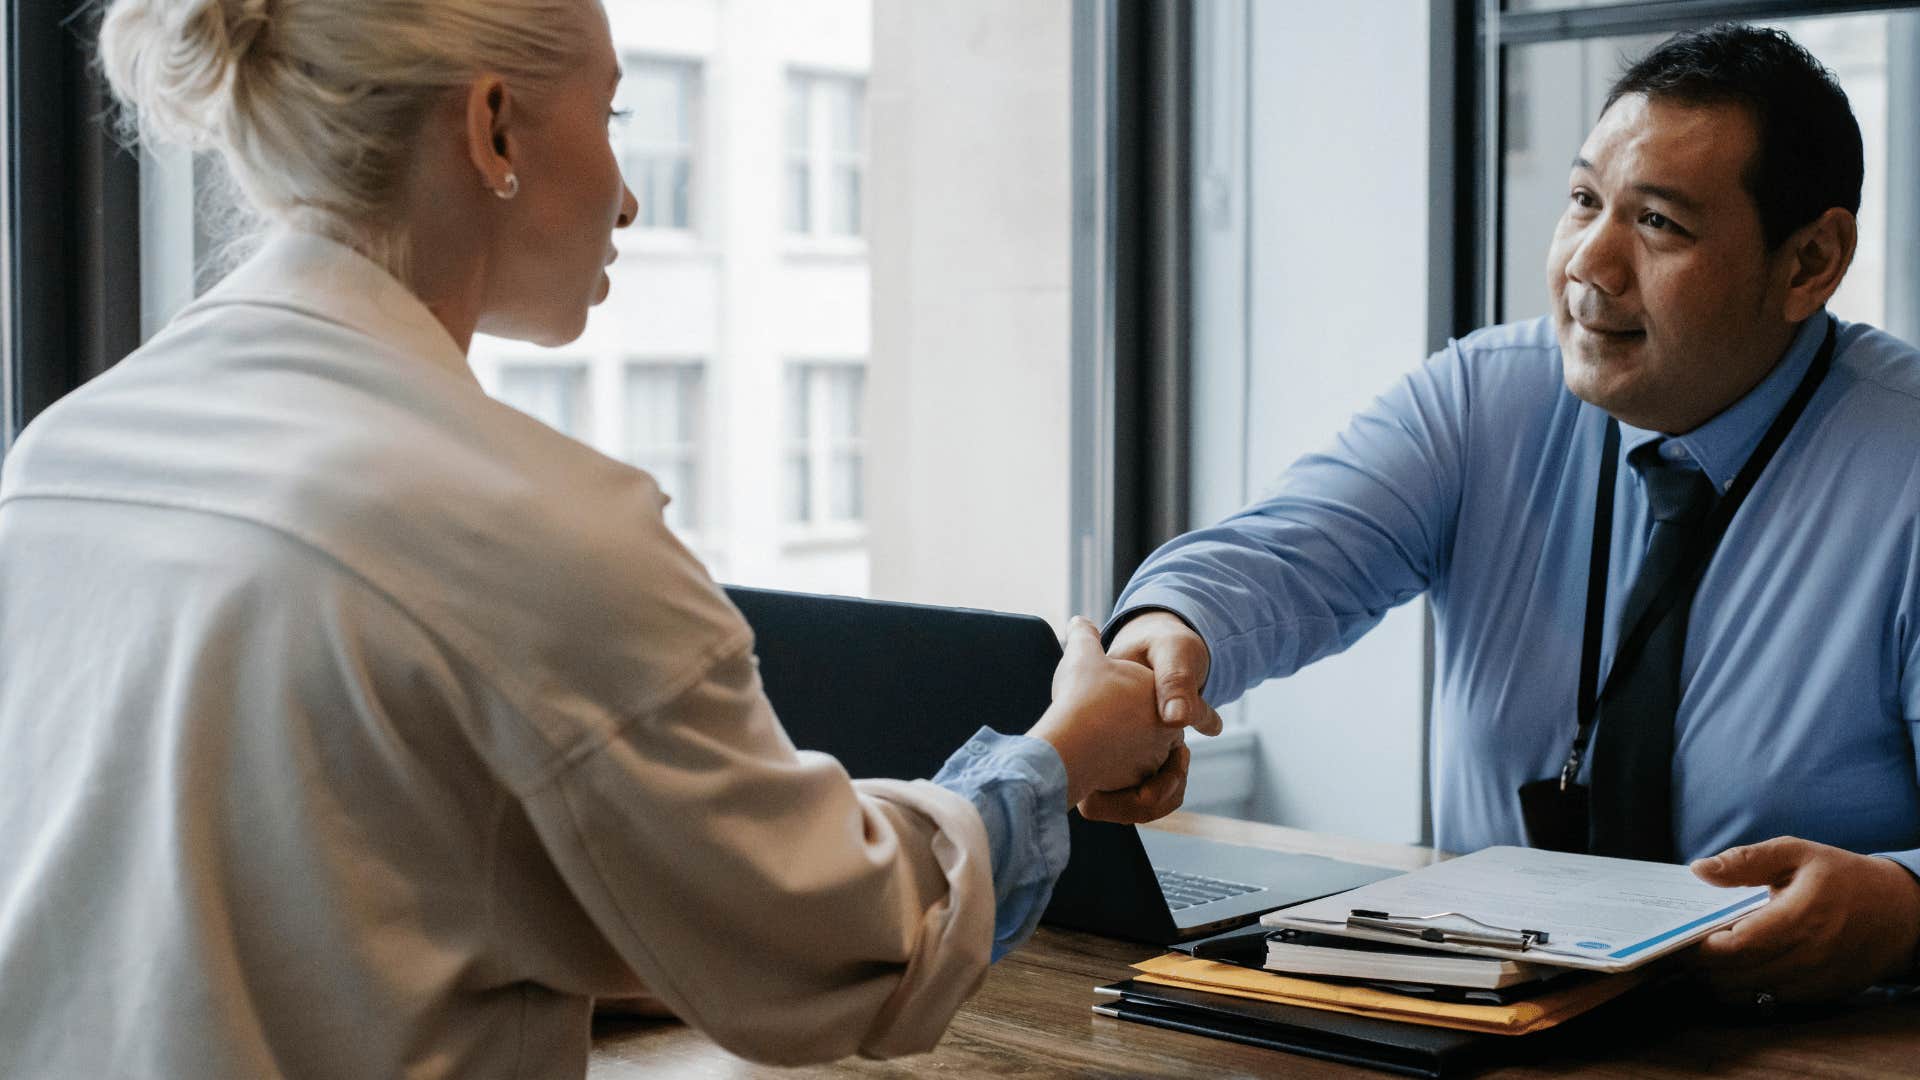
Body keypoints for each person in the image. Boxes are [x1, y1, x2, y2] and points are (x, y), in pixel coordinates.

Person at [0, 1, 1194, 1075]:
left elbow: (295, 902)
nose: (628, 194)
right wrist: (1063, 752)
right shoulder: (530, 528)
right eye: (612, 114)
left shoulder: (64, 457)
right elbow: (843, 948)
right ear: (494, 131)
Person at [1106, 23, 1920, 1005]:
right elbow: (1273, 562)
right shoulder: (1485, 399)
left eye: (1658, 224)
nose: (1590, 264)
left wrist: (1902, 906)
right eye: (1583, 202)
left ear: (1810, 262)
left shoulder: (1905, 463)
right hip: (1491, 1028)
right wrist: (1162, 646)